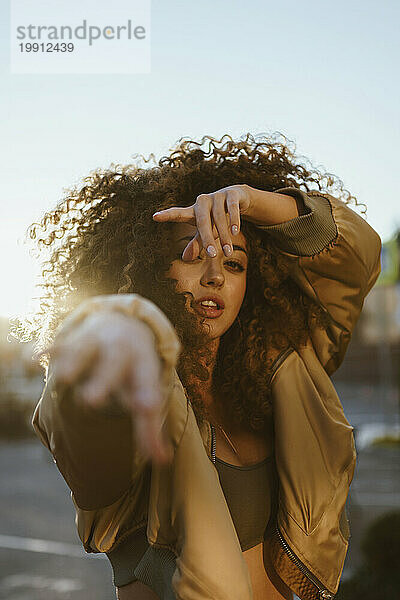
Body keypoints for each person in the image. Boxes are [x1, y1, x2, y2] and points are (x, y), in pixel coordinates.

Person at [27, 133, 381, 600]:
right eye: (192, 256)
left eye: (234, 264)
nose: (215, 275)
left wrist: (255, 203)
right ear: (149, 269)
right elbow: (80, 423)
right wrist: (114, 332)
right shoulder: (134, 388)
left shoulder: (285, 370)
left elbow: (356, 258)